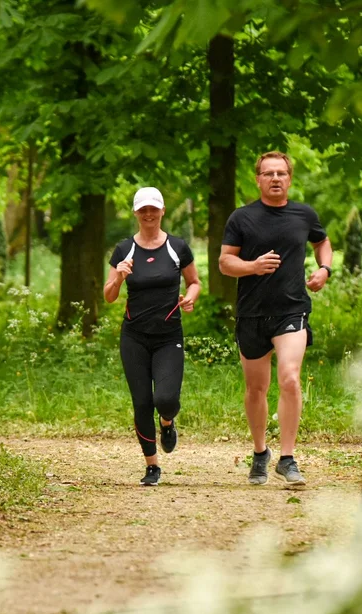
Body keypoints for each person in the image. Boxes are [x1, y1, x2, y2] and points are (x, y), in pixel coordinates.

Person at [219, 152, 333, 487]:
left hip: (292, 309)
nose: (275, 178)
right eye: (268, 173)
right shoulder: (242, 218)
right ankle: (259, 454)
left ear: (289, 178)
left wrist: (324, 270)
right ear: (257, 179)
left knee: (290, 379)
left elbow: (322, 243)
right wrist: (253, 267)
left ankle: (287, 458)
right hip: (252, 312)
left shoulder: (304, 214)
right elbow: (226, 263)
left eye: (281, 173)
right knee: (256, 388)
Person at [105, 187, 201, 486]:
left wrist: (190, 298)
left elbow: (195, 281)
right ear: (136, 213)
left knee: (166, 399)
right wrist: (119, 276)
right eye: (143, 209)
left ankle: (168, 422)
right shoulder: (124, 250)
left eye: (153, 209)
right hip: (134, 336)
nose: (148, 214)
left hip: (168, 334)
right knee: (142, 402)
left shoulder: (177, 247)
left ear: (162, 211)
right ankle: (151, 466)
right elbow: (108, 296)